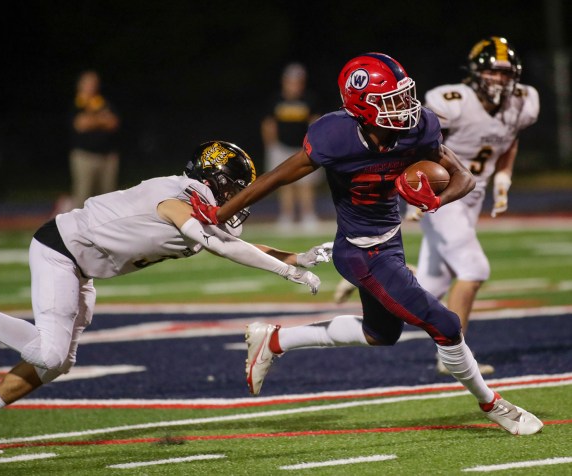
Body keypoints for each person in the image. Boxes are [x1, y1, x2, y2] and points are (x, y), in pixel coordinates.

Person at [189, 54, 543, 436]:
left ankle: (274, 340)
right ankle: (494, 405)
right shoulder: (335, 136)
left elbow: (464, 179)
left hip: (391, 242)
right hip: (359, 252)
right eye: (390, 100)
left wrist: (435, 201)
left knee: (381, 334)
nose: (404, 107)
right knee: (445, 323)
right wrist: (220, 213)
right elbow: (275, 178)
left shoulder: (418, 127)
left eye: (404, 96)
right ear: (360, 106)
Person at [0, 140, 331, 455]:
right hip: (61, 251)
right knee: (50, 354)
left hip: (81, 267)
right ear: (212, 178)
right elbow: (215, 242)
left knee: (57, 363)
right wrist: (286, 271)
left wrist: (295, 256)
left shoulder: (196, 203)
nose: (237, 198)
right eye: (233, 187)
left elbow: (234, 242)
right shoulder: (177, 195)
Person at [335, 37, 540, 377]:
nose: (500, 81)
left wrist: (504, 177)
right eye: (493, 72)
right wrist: (415, 189)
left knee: (432, 283)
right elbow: (414, 142)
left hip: (471, 195)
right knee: (474, 269)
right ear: (476, 73)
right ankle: (455, 358)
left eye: (506, 74)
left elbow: (510, 135)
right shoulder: (452, 101)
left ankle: (371, 281)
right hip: (439, 191)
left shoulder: (523, 102)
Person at [261, 63, 323, 231]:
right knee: (284, 183)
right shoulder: (276, 99)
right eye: (291, 81)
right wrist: (271, 145)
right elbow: (269, 123)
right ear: (284, 81)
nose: (294, 85)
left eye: (297, 81)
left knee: (306, 183)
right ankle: (286, 216)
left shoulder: (309, 99)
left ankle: (308, 215)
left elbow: (316, 121)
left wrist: (315, 143)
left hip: (304, 148)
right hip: (281, 146)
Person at [68, 70, 121, 210]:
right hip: (85, 156)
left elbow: (113, 123)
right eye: (88, 82)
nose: (92, 86)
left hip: (107, 156)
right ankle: (78, 229)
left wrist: (93, 121)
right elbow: (81, 124)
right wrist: (101, 120)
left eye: (94, 83)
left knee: (108, 198)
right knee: (82, 196)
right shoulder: (77, 103)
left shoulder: (102, 102)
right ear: (80, 85)